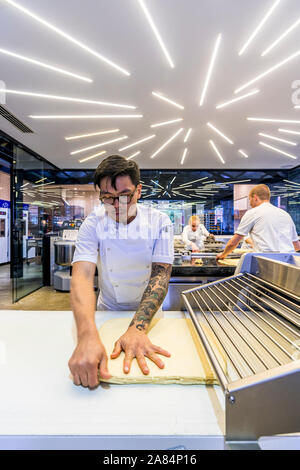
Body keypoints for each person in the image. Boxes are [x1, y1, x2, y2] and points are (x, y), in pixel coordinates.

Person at [68, 155, 174, 388]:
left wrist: (137, 328)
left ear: (139, 191)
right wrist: (86, 335)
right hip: (109, 310)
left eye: (124, 196)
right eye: (107, 198)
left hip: (150, 316)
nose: (116, 206)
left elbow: (161, 275)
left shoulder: (160, 221)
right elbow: (82, 277)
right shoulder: (92, 223)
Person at [217, 184, 300, 260]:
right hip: (290, 262)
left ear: (255, 197)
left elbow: (234, 242)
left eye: (250, 200)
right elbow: (297, 246)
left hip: (267, 261)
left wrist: (223, 255)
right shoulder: (285, 214)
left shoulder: (253, 213)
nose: (250, 203)